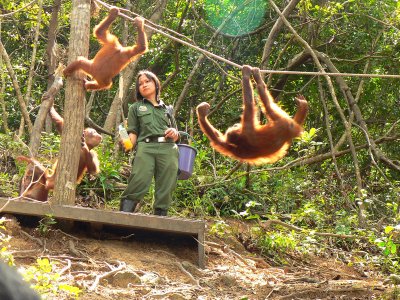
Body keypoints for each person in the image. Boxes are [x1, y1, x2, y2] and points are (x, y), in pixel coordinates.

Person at [120, 70, 180, 216]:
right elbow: (133, 132)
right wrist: (127, 143)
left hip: (168, 148)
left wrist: (174, 132)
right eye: (140, 84)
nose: (144, 85)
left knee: (167, 184)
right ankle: (122, 217)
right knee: (139, 180)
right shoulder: (135, 108)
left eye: (147, 81)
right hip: (145, 147)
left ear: (156, 84)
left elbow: (176, 134)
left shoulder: (168, 109)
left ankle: (160, 220)